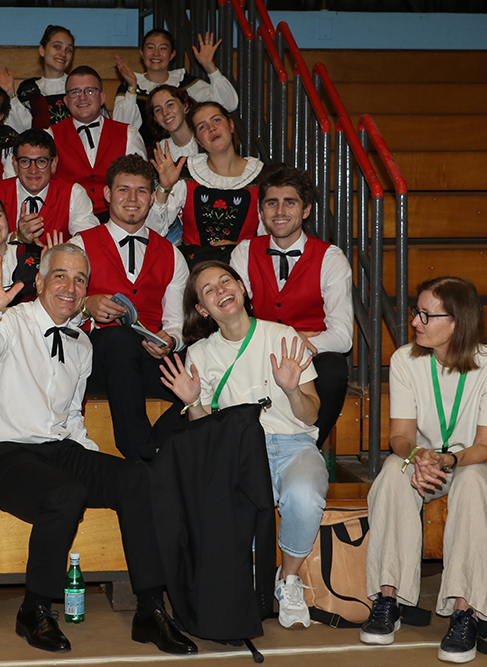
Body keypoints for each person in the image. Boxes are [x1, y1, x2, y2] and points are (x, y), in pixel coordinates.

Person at [0, 244, 198, 656]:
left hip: (58, 449)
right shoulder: (8, 322)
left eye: (80, 279)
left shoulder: (81, 343)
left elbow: (73, 419)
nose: (71, 286)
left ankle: (150, 609)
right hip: (2, 457)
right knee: (65, 493)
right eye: (60, 275)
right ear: (40, 281)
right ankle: (34, 608)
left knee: (136, 478)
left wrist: (94, 464)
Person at [161, 261, 327, 629]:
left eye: (226, 281)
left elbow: (312, 414)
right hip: (240, 452)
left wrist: (291, 389)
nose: (221, 291)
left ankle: (288, 580)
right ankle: (250, 577)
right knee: (241, 505)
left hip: (294, 442)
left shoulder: (283, 336)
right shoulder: (200, 353)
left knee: (305, 495)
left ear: (242, 287)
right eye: (209, 290)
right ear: (203, 309)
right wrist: (192, 401)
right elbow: (205, 431)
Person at [360, 277, 487, 664]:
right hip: (427, 460)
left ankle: (466, 610)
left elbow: (486, 445)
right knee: (393, 472)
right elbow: (399, 436)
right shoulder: (405, 360)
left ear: (457, 322)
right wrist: (417, 455)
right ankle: (389, 597)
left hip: (485, 464)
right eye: (416, 312)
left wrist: (447, 460)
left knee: (470, 480)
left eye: (426, 315)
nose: (415, 321)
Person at [68, 155, 187, 462]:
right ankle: (138, 455)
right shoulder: (79, 246)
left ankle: (157, 447)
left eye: (141, 191)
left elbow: (176, 322)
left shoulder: (171, 254)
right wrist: (86, 306)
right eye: (123, 190)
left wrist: (171, 340)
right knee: (120, 341)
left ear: (152, 198)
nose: (132, 199)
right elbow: (53, 311)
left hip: (147, 358)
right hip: (94, 360)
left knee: (203, 367)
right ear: (107, 194)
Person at [230, 166, 352, 447]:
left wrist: (293, 345)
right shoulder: (244, 251)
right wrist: (284, 340)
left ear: (306, 210)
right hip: (257, 352)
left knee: (334, 368)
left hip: (310, 356)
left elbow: (343, 337)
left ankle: (309, 448)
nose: (280, 211)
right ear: (261, 212)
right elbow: (235, 318)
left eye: (290, 202)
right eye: (271, 203)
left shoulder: (330, 258)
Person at [150, 101, 263, 264]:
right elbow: (153, 231)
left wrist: (242, 247)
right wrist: (164, 187)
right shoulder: (186, 172)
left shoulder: (260, 176)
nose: (211, 128)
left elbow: (271, 239)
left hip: (242, 266)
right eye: (202, 126)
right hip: (194, 268)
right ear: (198, 141)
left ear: (231, 125)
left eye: (216, 120)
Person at [49, 66, 146, 220]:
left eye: (89, 91)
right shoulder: (50, 135)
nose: (82, 97)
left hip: (116, 220)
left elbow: (141, 184)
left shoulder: (129, 134)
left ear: (102, 98)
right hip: (68, 220)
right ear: (66, 101)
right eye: (75, 92)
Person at [113, 30, 238, 148]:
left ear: (172, 54)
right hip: (142, 155)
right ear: (142, 52)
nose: (156, 53)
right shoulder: (129, 86)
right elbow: (121, 127)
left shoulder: (186, 83)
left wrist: (209, 66)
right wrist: (132, 88)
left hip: (185, 152)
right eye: (150, 47)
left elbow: (229, 104)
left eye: (163, 48)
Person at [0, 129, 98, 245]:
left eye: (41, 161)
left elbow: (89, 240)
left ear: (53, 164)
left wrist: (55, 253)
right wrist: (16, 236)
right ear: (15, 164)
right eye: (25, 161)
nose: (33, 171)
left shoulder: (74, 193)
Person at [0, 25, 75, 133]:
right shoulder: (29, 89)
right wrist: (10, 93)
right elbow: (21, 131)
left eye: (69, 50)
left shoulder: (78, 86)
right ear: (42, 50)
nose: (63, 54)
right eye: (57, 46)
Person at [145, 85, 198, 163]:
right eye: (158, 110)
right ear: (155, 119)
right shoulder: (159, 152)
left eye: (170, 105)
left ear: (185, 106)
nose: (165, 112)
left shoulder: (206, 140)